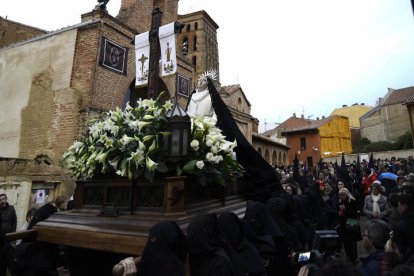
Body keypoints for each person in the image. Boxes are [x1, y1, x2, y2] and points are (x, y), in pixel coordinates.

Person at [186, 70, 282, 201]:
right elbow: (188, 112)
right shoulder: (193, 97)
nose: (199, 82)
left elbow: (215, 112)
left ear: (208, 84)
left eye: (203, 80)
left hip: (208, 128)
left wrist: (210, 123)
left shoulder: (211, 96)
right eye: (199, 80)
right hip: (192, 127)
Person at [337, 188, 360, 264]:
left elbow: (354, 214)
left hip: (351, 222)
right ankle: (349, 256)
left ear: (347, 194)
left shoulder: (352, 201)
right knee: (346, 242)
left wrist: (345, 210)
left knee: (353, 242)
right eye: (340, 195)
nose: (342, 196)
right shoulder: (340, 202)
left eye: (343, 194)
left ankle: (355, 257)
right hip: (343, 224)